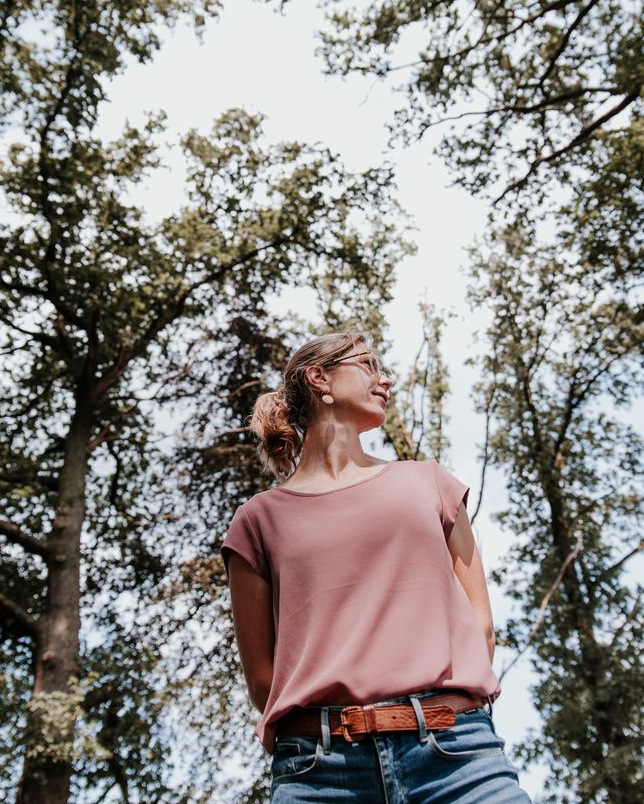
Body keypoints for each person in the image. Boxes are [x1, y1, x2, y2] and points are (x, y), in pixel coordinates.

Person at [220, 330, 532, 803]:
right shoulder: (258, 520)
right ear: (319, 378)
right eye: (368, 364)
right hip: (318, 772)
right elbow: (263, 681)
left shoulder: (430, 483)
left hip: (458, 754)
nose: (384, 380)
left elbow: (480, 625)